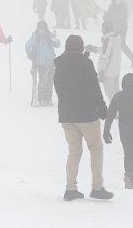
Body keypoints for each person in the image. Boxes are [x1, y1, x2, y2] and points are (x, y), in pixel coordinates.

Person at [53, 34, 113, 201]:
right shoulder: (86, 63)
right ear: (80, 47)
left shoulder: (59, 65)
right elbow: (94, 87)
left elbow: (59, 89)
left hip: (67, 116)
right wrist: (101, 106)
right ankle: (97, 187)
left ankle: (70, 188)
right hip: (87, 115)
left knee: (74, 151)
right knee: (96, 149)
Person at [103, 73, 133, 189]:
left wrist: (106, 131)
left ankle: (129, 179)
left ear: (123, 84)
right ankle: (129, 176)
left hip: (124, 130)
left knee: (128, 154)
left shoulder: (118, 96)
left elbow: (110, 115)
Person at [25, 21, 60, 106]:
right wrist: (31, 51)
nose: (42, 31)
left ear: (46, 28)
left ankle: (48, 98)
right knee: (42, 80)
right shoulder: (35, 37)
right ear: (38, 28)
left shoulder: (50, 35)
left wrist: (55, 40)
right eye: (40, 28)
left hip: (51, 61)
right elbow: (27, 45)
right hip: (40, 62)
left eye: (43, 28)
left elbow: (58, 45)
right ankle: (41, 98)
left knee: (50, 80)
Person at [104, 0, 133, 67]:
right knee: (113, 44)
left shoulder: (122, 4)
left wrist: (113, 17)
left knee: (121, 45)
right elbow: (109, 15)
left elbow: (124, 15)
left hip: (122, 28)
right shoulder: (111, 6)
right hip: (114, 28)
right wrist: (106, 16)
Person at [96, 21, 122, 102]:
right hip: (116, 72)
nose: (101, 30)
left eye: (102, 28)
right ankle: (124, 108)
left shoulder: (107, 40)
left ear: (105, 29)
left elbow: (104, 56)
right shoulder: (116, 39)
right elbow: (109, 51)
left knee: (111, 95)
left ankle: (117, 110)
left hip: (108, 74)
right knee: (118, 94)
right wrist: (95, 49)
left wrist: (101, 71)